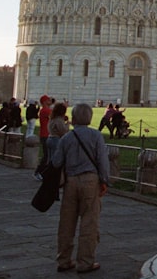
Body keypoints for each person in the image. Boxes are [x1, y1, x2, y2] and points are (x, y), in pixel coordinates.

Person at [51, 103, 109, 273]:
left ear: (74, 118)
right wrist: (104, 181)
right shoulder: (96, 135)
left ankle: (64, 260)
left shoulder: (66, 138)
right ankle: (85, 262)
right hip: (91, 181)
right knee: (89, 223)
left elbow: (56, 162)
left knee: (66, 223)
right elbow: (103, 161)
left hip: (70, 182)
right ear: (90, 118)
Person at [35, 95, 53, 179]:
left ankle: (43, 172)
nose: (50, 101)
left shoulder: (45, 110)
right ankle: (39, 172)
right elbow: (56, 116)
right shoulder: (46, 110)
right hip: (46, 134)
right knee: (47, 155)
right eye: (48, 100)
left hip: (45, 134)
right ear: (45, 101)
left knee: (47, 155)